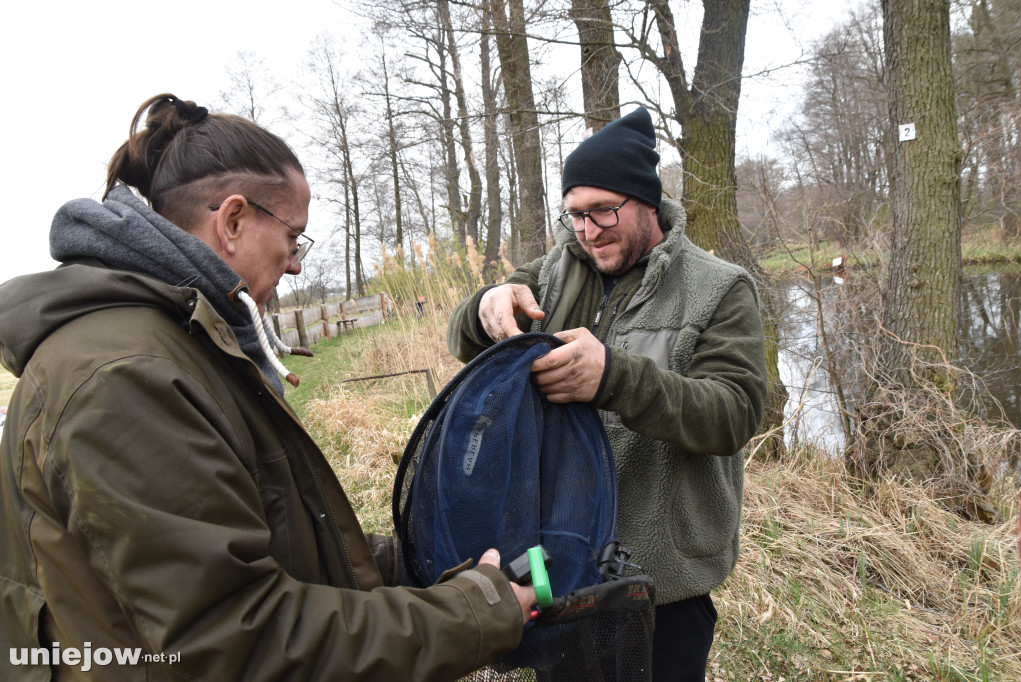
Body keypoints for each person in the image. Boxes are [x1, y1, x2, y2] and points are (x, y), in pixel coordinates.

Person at [0, 94, 533, 681]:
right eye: (293, 237)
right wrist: (473, 614)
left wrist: (412, 560)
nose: (297, 264)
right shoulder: (126, 379)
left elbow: (259, 548)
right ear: (232, 221)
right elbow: (240, 642)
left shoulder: (183, 346)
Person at [447, 107, 768, 681]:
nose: (589, 231)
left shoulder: (719, 288)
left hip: (662, 586)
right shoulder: (554, 272)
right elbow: (463, 338)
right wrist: (484, 306)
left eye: (603, 211)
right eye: (575, 214)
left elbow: (735, 413)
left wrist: (614, 378)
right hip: (558, 571)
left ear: (648, 202)